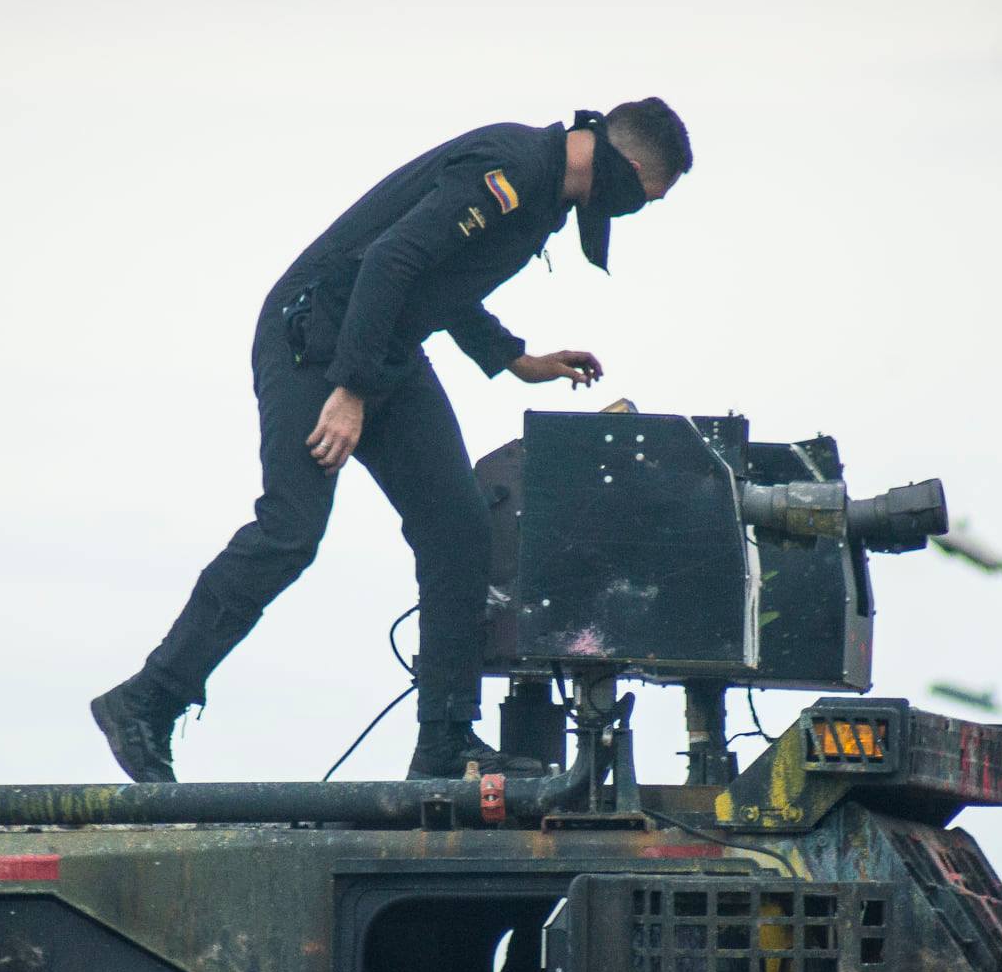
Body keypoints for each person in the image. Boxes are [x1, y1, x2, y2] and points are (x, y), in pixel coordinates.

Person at [93, 99, 692, 783]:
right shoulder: (513, 167)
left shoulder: (540, 198)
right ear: (627, 166)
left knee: (458, 527)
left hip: (383, 349)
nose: (637, 209)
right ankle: (147, 700)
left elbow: (443, 278)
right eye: (646, 194)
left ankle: (442, 741)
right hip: (315, 337)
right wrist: (347, 390)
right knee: (291, 530)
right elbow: (391, 260)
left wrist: (513, 357)